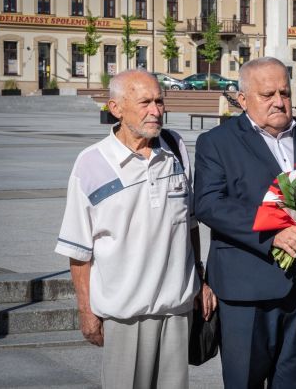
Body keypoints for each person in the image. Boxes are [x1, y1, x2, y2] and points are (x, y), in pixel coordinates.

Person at [194, 57, 296, 389]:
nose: (279, 102)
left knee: (295, 382)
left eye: (284, 92)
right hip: (246, 289)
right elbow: (209, 203)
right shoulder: (217, 142)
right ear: (242, 100)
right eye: (267, 94)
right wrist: (274, 234)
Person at [54, 69, 216, 388]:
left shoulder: (175, 148)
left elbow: (190, 224)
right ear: (116, 108)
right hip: (124, 315)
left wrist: (200, 279)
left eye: (159, 101)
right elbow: (78, 250)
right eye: (145, 102)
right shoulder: (91, 163)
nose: (156, 111)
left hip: (176, 309)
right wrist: (86, 311)